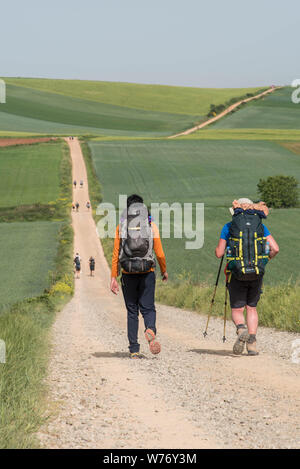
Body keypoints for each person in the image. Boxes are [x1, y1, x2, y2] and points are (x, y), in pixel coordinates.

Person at [215, 198, 279, 356]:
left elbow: (219, 253)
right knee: (252, 308)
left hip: (236, 273)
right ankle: (252, 344)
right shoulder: (260, 226)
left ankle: (241, 329)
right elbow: (275, 248)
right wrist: (264, 261)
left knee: (237, 309)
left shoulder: (229, 227)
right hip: (257, 272)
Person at [110, 194, 168, 359]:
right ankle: (150, 328)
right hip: (147, 271)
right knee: (148, 307)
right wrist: (164, 270)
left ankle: (134, 349)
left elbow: (116, 254)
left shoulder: (121, 226)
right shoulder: (151, 225)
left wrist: (113, 276)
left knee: (132, 311)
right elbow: (160, 253)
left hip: (128, 273)